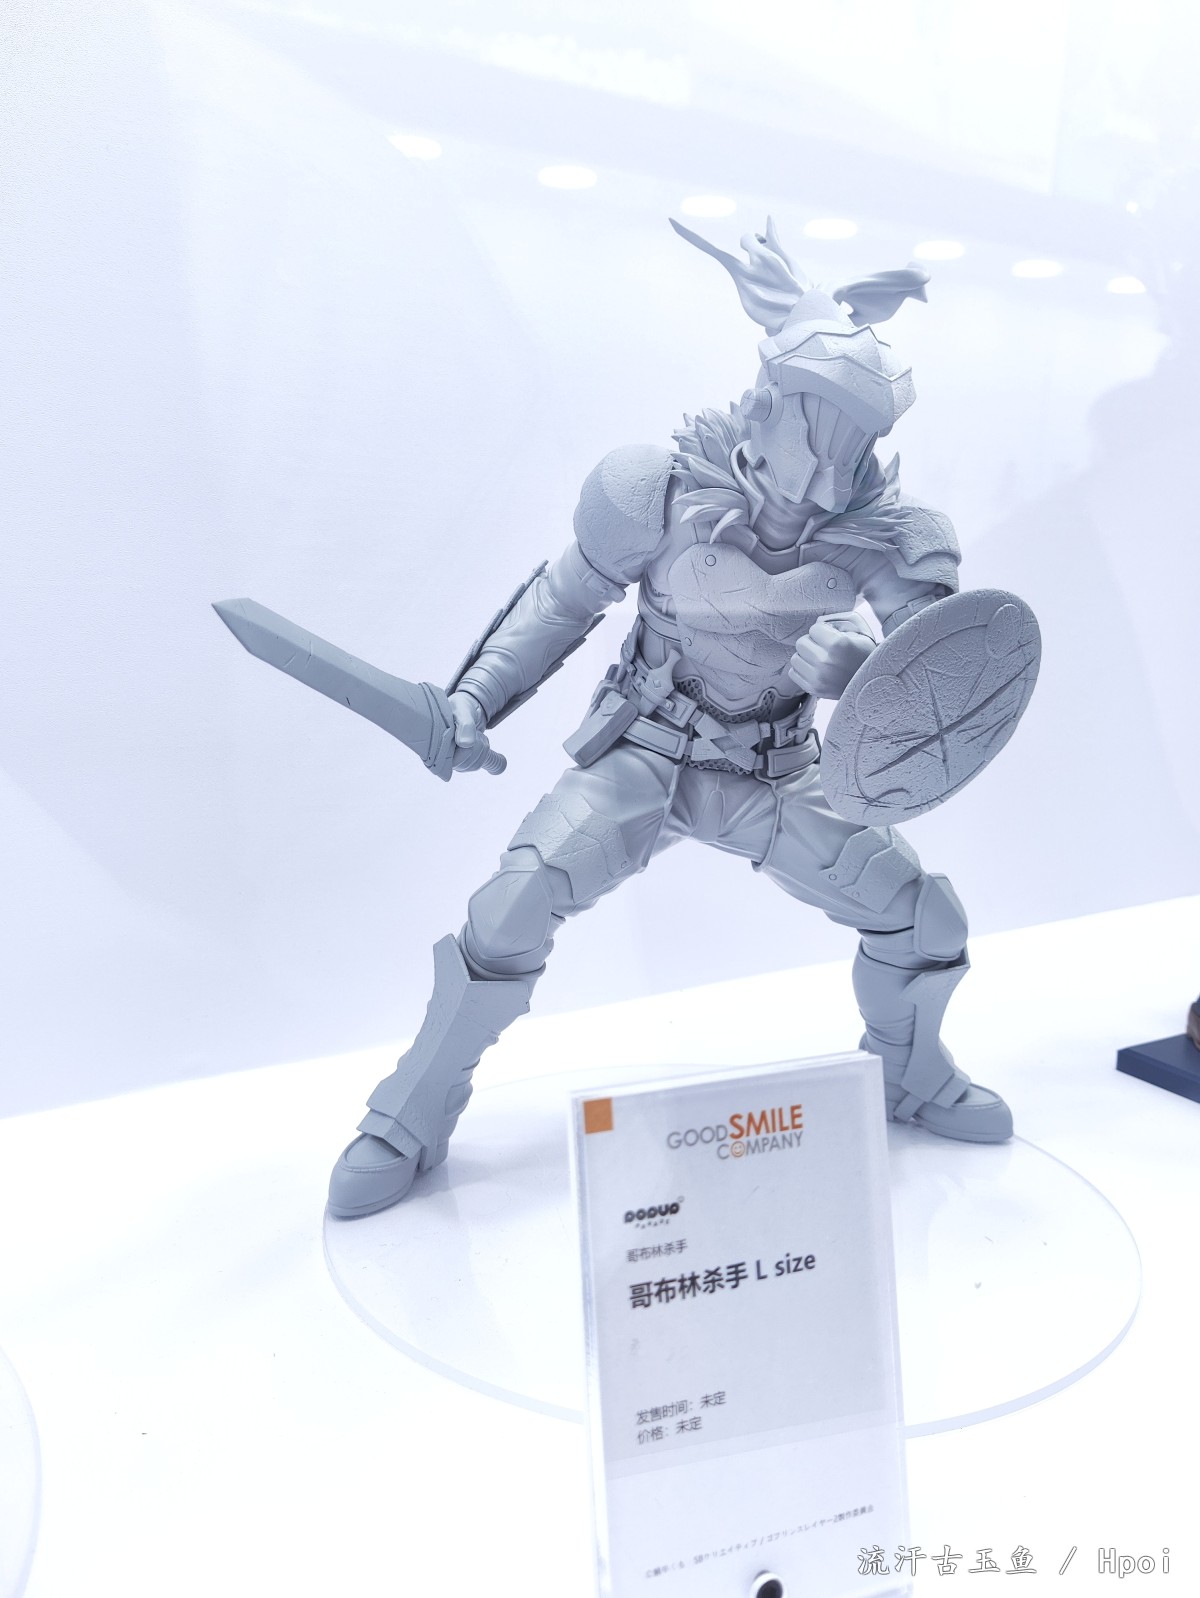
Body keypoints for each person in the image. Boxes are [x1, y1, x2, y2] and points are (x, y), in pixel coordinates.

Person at [329, 218, 1013, 1220]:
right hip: (644, 756)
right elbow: (561, 601)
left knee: (926, 921)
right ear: (766, 403)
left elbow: (936, 685)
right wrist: (474, 699)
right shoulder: (655, 489)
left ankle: (909, 1075)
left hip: (779, 773)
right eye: (813, 440)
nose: (821, 485)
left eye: (854, 451)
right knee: (509, 909)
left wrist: (858, 671)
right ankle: (411, 1114)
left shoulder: (884, 532)